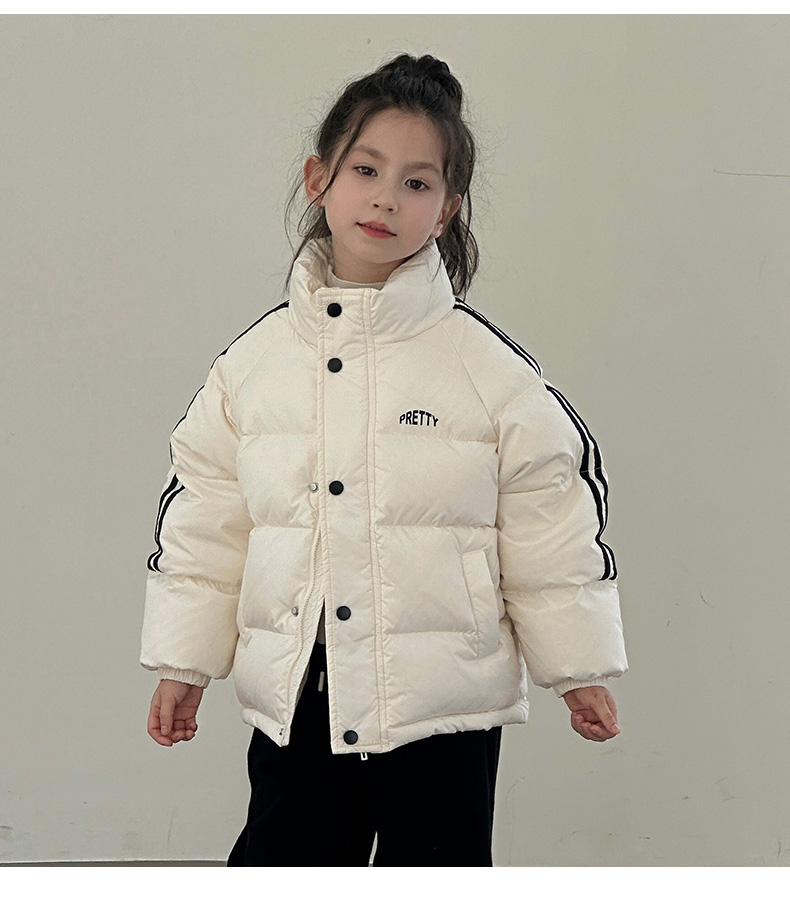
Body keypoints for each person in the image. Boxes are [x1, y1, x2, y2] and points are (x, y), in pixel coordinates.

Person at [141, 52, 628, 867]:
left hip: (442, 709)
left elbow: (550, 518)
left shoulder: (490, 373)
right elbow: (206, 519)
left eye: (416, 182)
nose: (385, 198)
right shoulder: (252, 367)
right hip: (304, 697)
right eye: (365, 170)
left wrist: (577, 666)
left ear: (446, 211)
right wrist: (184, 660)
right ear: (319, 179)